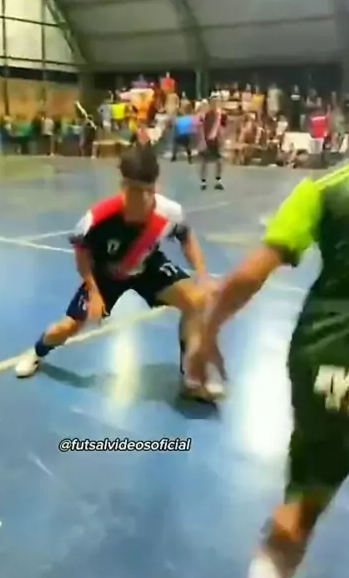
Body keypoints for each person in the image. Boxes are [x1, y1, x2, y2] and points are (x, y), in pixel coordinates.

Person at [196, 156, 349, 578]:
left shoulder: (327, 187)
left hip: (328, 360)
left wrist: (206, 335)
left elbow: (248, 275)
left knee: (301, 501)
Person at [15, 145, 223, 402]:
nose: (141, 198)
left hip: (147, 265)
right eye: (134, 190)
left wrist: (203, 277)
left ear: (156, 186)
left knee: (196, 301)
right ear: (123, 185)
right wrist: (94, 292)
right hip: (105, 275)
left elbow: (187, 238)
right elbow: (82, 256)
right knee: (68, 327)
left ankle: (191, 377)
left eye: (147, 191)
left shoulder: (169, 212)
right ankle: (36, 353)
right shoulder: (97, 218)